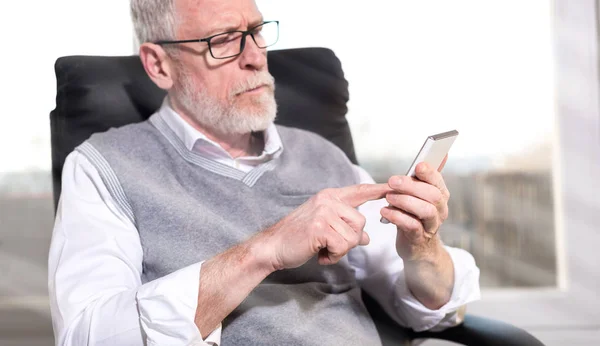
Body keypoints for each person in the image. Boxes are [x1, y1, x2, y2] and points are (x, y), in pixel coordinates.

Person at [48, 0, 481, 345]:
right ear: (159, 65)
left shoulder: (322, 156)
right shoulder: (103, 166)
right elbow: (89, 334)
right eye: (224, 40)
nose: (255, 57)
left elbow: (427, 307)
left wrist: (423, 249)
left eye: (255, 32)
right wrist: (265, 250)